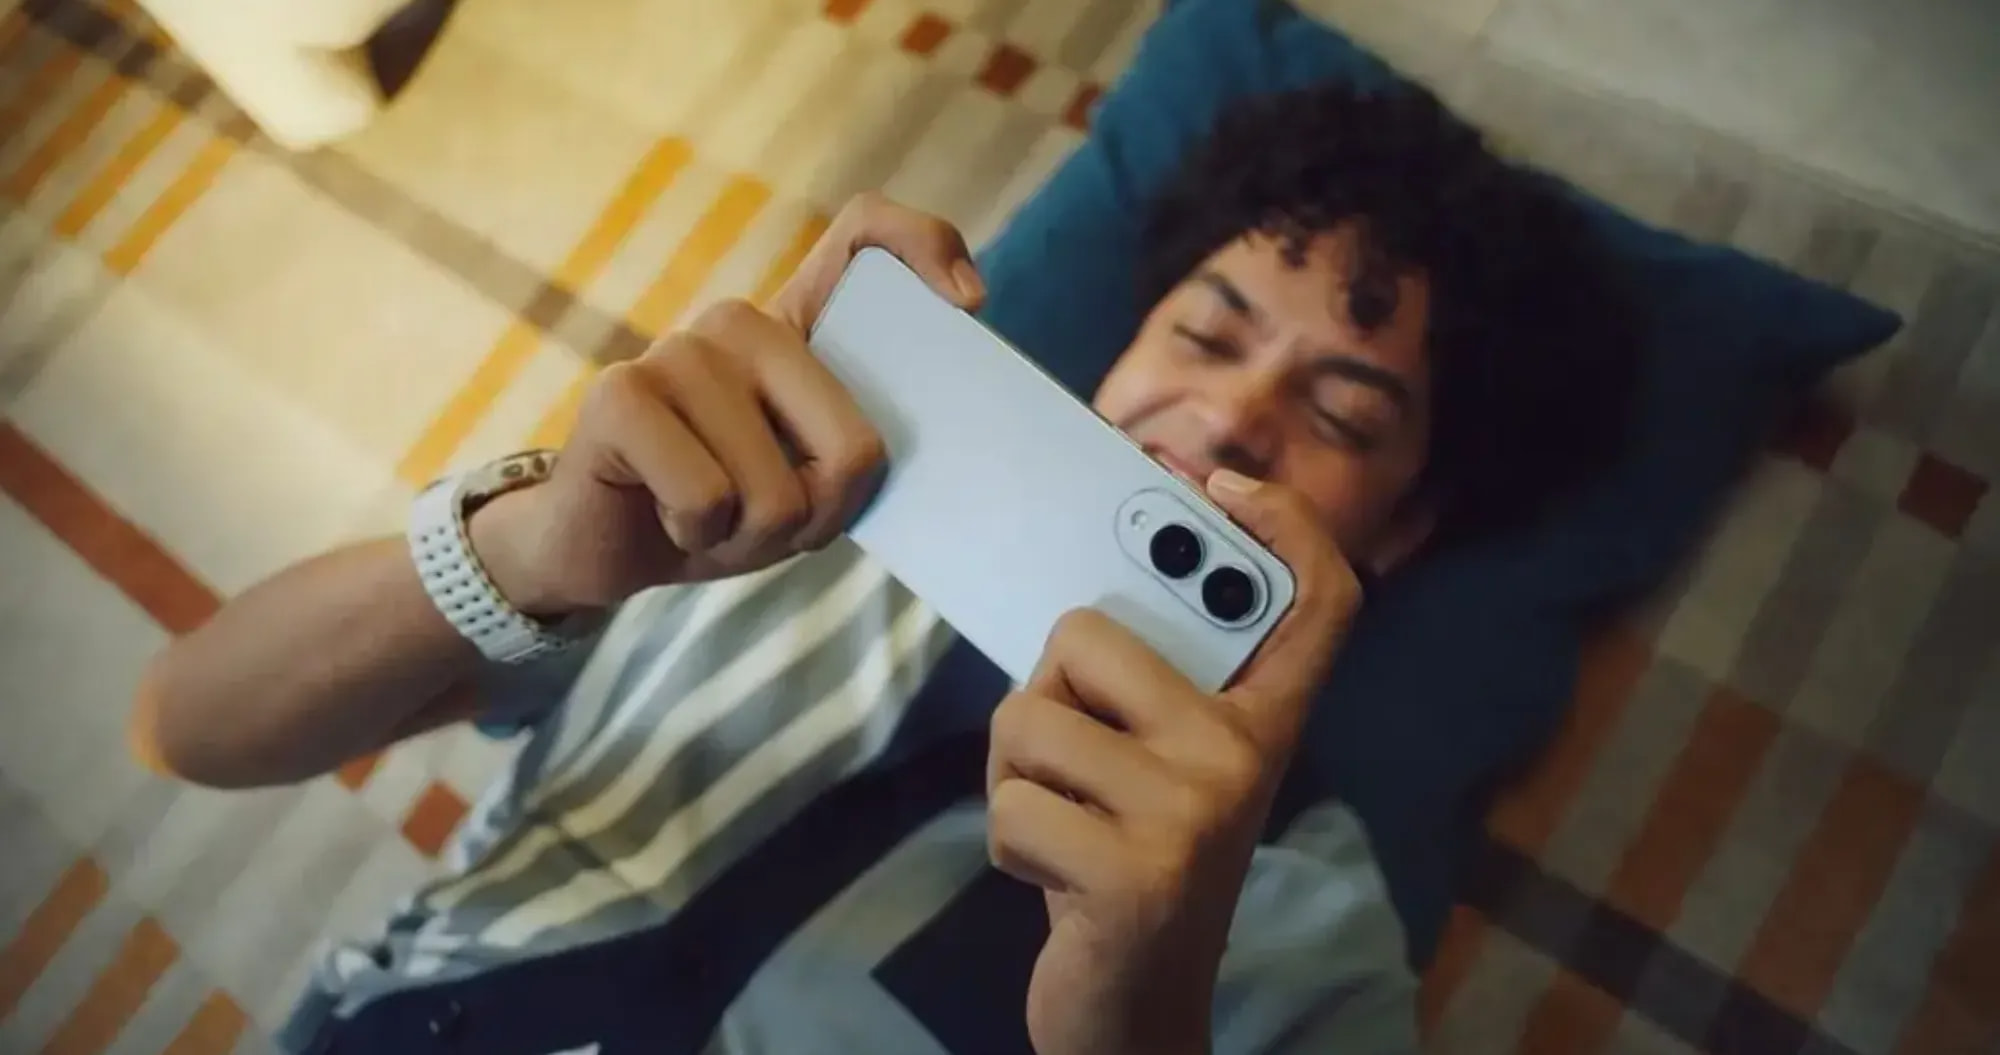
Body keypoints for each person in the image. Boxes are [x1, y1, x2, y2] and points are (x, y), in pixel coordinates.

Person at [133, 82, 1634, 1054]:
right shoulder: (767, 522)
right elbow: (186, 726)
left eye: (1342, 417)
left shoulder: (1313, 926)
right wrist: (529, 548)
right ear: (1122, 350)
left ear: (1402, 531)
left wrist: (1143, 1006)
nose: (1232, 419)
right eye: (1204, 333)